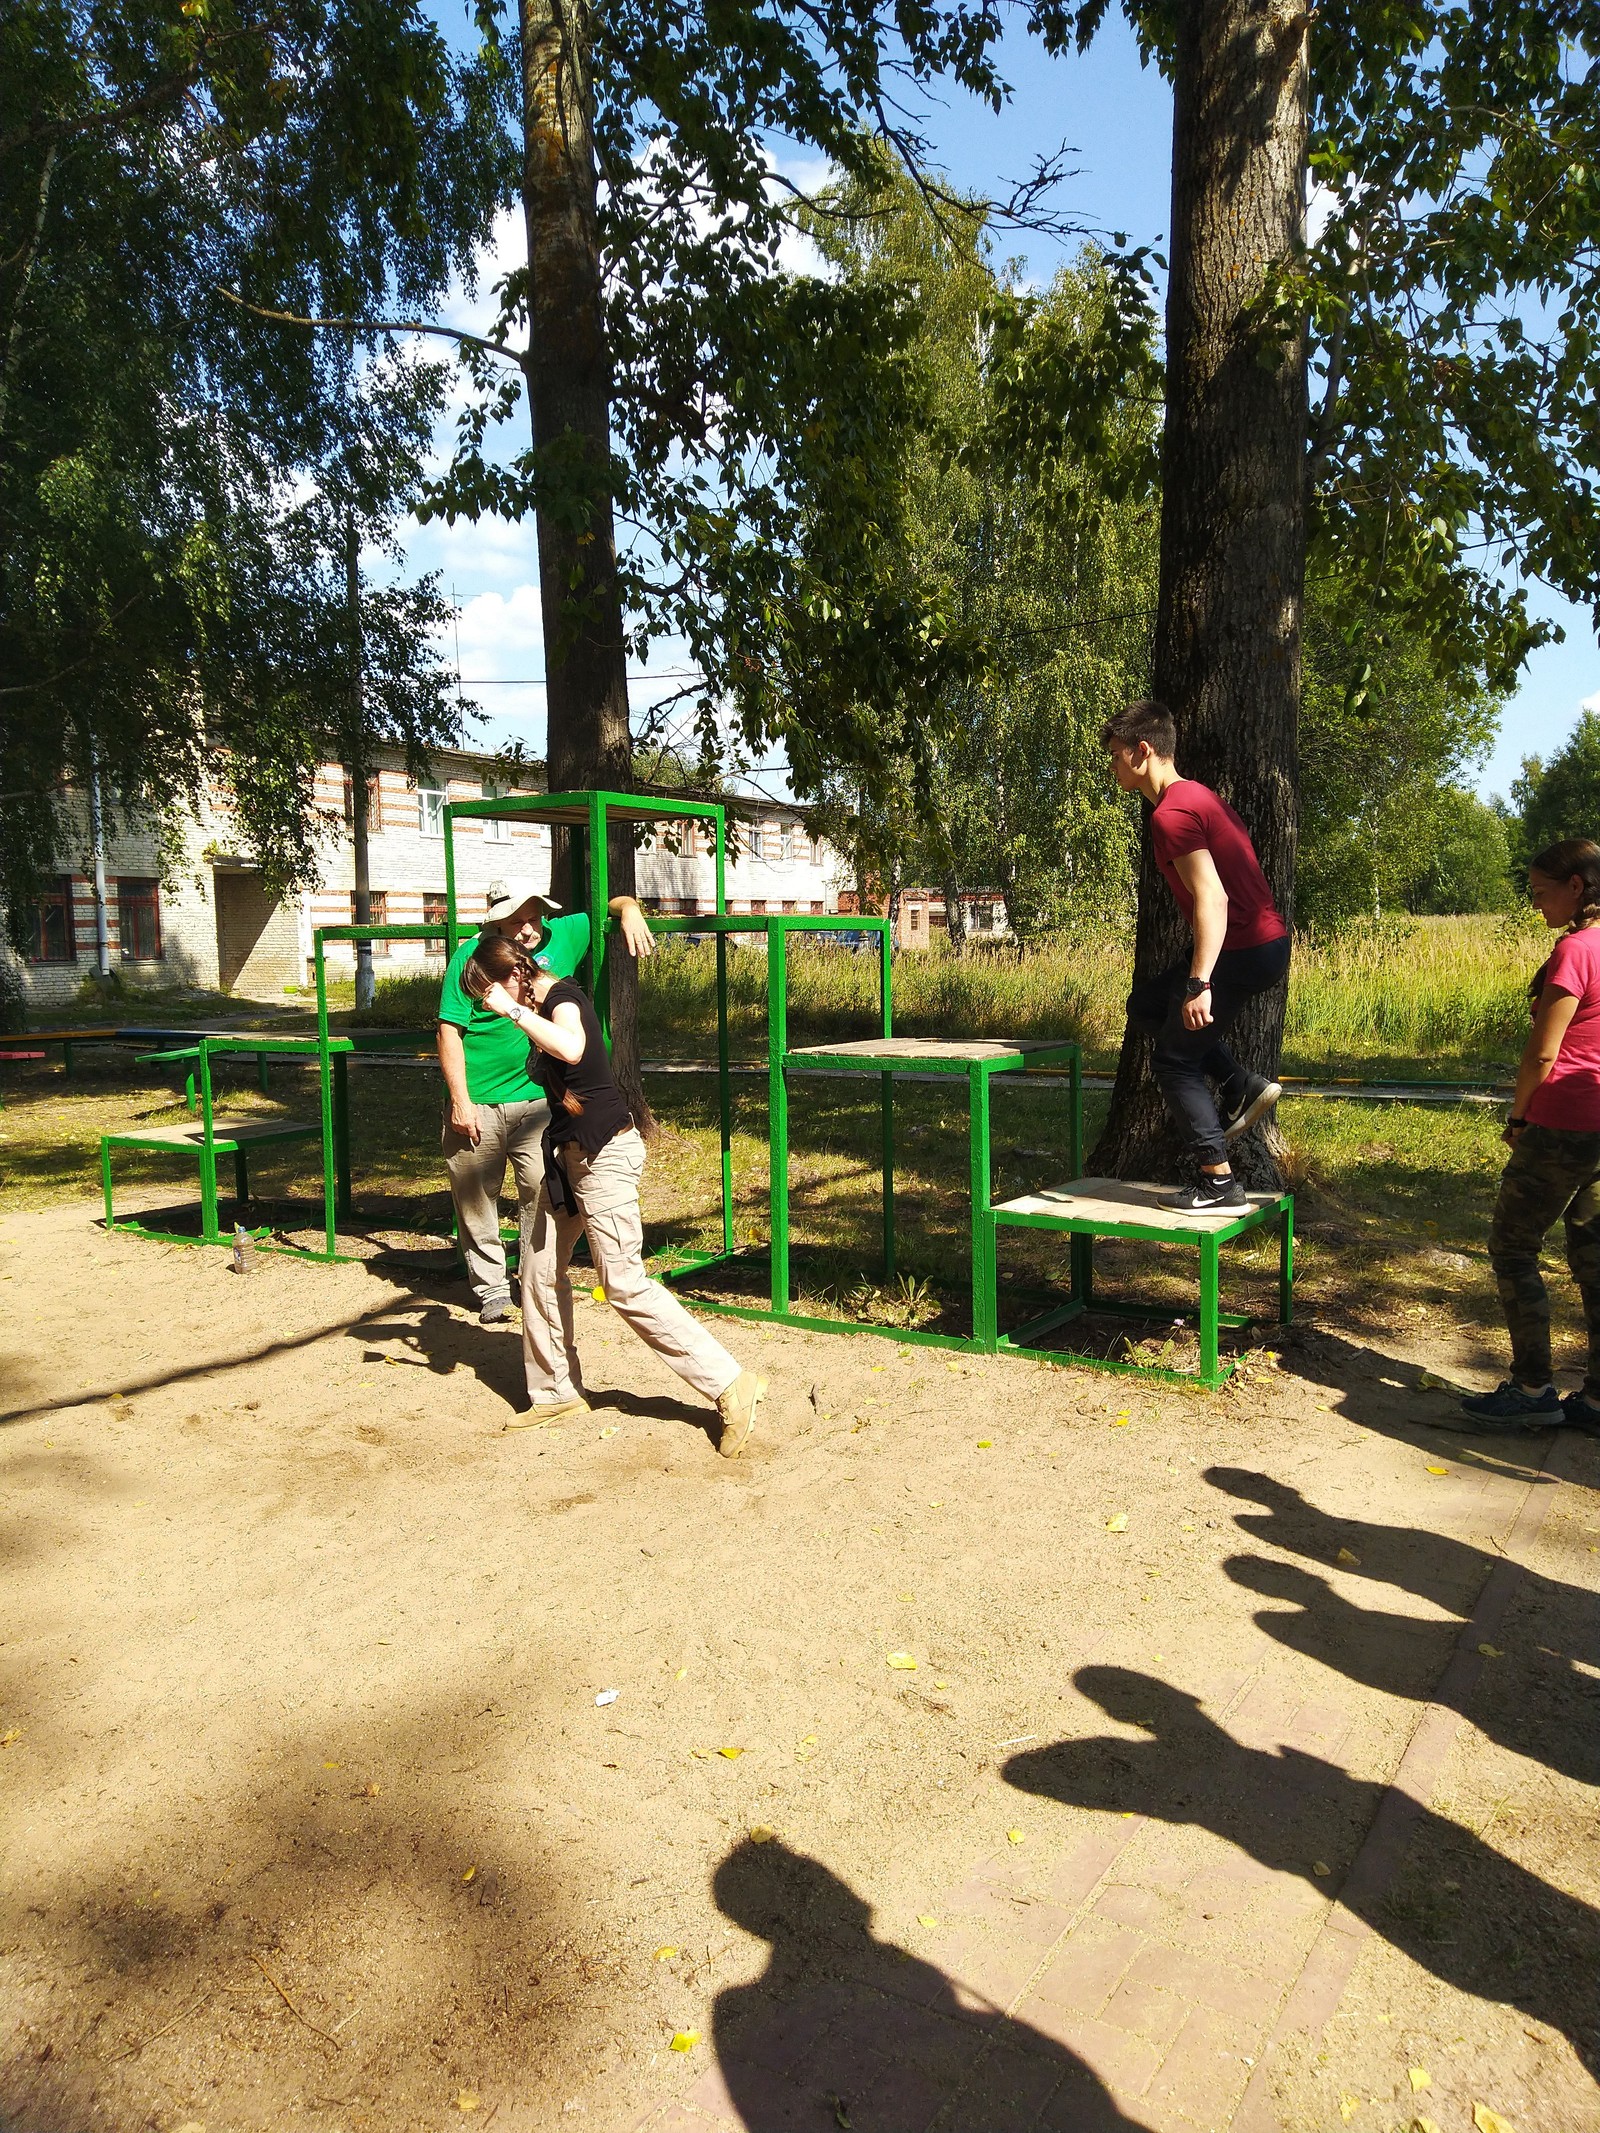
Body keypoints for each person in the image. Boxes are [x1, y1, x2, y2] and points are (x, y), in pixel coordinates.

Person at [462, 933, 768, 1455]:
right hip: (567, 1159)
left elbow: (572, 1047)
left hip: (605, 1157)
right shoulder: (538, 998)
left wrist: (511, 1011)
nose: (488, 1009)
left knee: (622, 1282)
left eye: (486, 994)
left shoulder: (561, 999)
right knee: (536, 1270)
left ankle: (730, 1383)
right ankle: (556, 1390)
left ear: (512, 977)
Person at [437, 877, 654, 1324]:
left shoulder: (561, 934)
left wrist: (629, 908)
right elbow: (449, 1030)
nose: (529, 929)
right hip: (479, 1098)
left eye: (534, 917)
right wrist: (460, 1100)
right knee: (476, 1196)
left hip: (540, 1102)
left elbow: (604, 905)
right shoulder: (470, 959)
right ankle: (492, 1287)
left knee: (542, 1189)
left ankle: (533, 1275)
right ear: (495, 923)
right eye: (517, 921)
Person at [1101, 700, 1291, 1209]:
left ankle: (1217, 1180)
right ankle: (1236, 1083)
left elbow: (1213, 897)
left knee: (1173, 1060)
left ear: (1144, 752)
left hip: (1243, 948)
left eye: (1117, 755)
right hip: (1258, 941)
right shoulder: (1197, 797)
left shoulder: (1172, 814)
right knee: (1145, 1007)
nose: (1113, 766)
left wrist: (1199, 981)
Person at [1456, 837, 1600, 1432]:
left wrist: (1519, 1118)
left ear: (1576, 887)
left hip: (1563, 1120)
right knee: (1595, 1258)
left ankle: (1534, 1387)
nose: (1537, 905)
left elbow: (1543, 1052)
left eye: (1542, 893)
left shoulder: (1575, 952)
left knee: (1513, 1247)